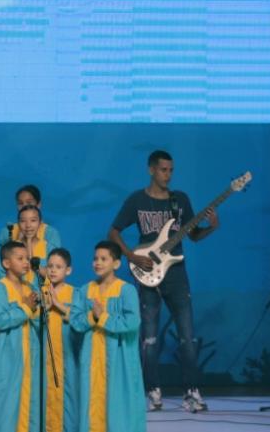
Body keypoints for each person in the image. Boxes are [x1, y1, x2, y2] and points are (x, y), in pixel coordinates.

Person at [107, 150, 218, 413]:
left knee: (187, 336)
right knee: (149, 338)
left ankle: (191, 391)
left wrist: (212, 226)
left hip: (177, 274)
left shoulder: (180, 200)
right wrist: (131, 256)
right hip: (147, 273)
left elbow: (193, 236)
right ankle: (153, 391)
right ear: (151, 170)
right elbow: (113, 231)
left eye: (171, 170)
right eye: (163, 170)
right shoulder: (137, 200)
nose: (168, 175)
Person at [70, 241, 143, 432]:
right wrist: (92, 317)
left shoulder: (126, 290)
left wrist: (103, 317)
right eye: (95, 258)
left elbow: (132, 322)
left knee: (118, 401)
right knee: (91, 401)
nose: (98, 263)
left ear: (116, 263)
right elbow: (75, 320)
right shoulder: (85, 290)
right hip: (91, 357)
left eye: (104, 259)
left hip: (118, 358)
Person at [0, 240, 43, 432]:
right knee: (4, 403)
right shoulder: (1, 288)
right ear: (6, 263)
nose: (26, 262)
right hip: (6, 358)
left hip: (27, 357)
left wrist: (38, 310)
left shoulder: (30, 287)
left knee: (27, 402)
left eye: (27, 258)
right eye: (20, 258)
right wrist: (25, 308)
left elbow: (36, 320)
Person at [42, 248, 80, 432]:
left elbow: (82, 320)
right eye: (50, 266)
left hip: (67, 357)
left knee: (69, 398)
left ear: (68, 270)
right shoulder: (39, 293)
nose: (53, 270)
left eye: (58, 267)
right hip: (44, 357)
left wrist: (58, 305)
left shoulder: (76, 293)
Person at [0, 185, 63, 250]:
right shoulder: (7, 232)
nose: (24, 206)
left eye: (29, 202)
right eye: (20, 203)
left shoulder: (51, 233)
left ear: (39, 205)